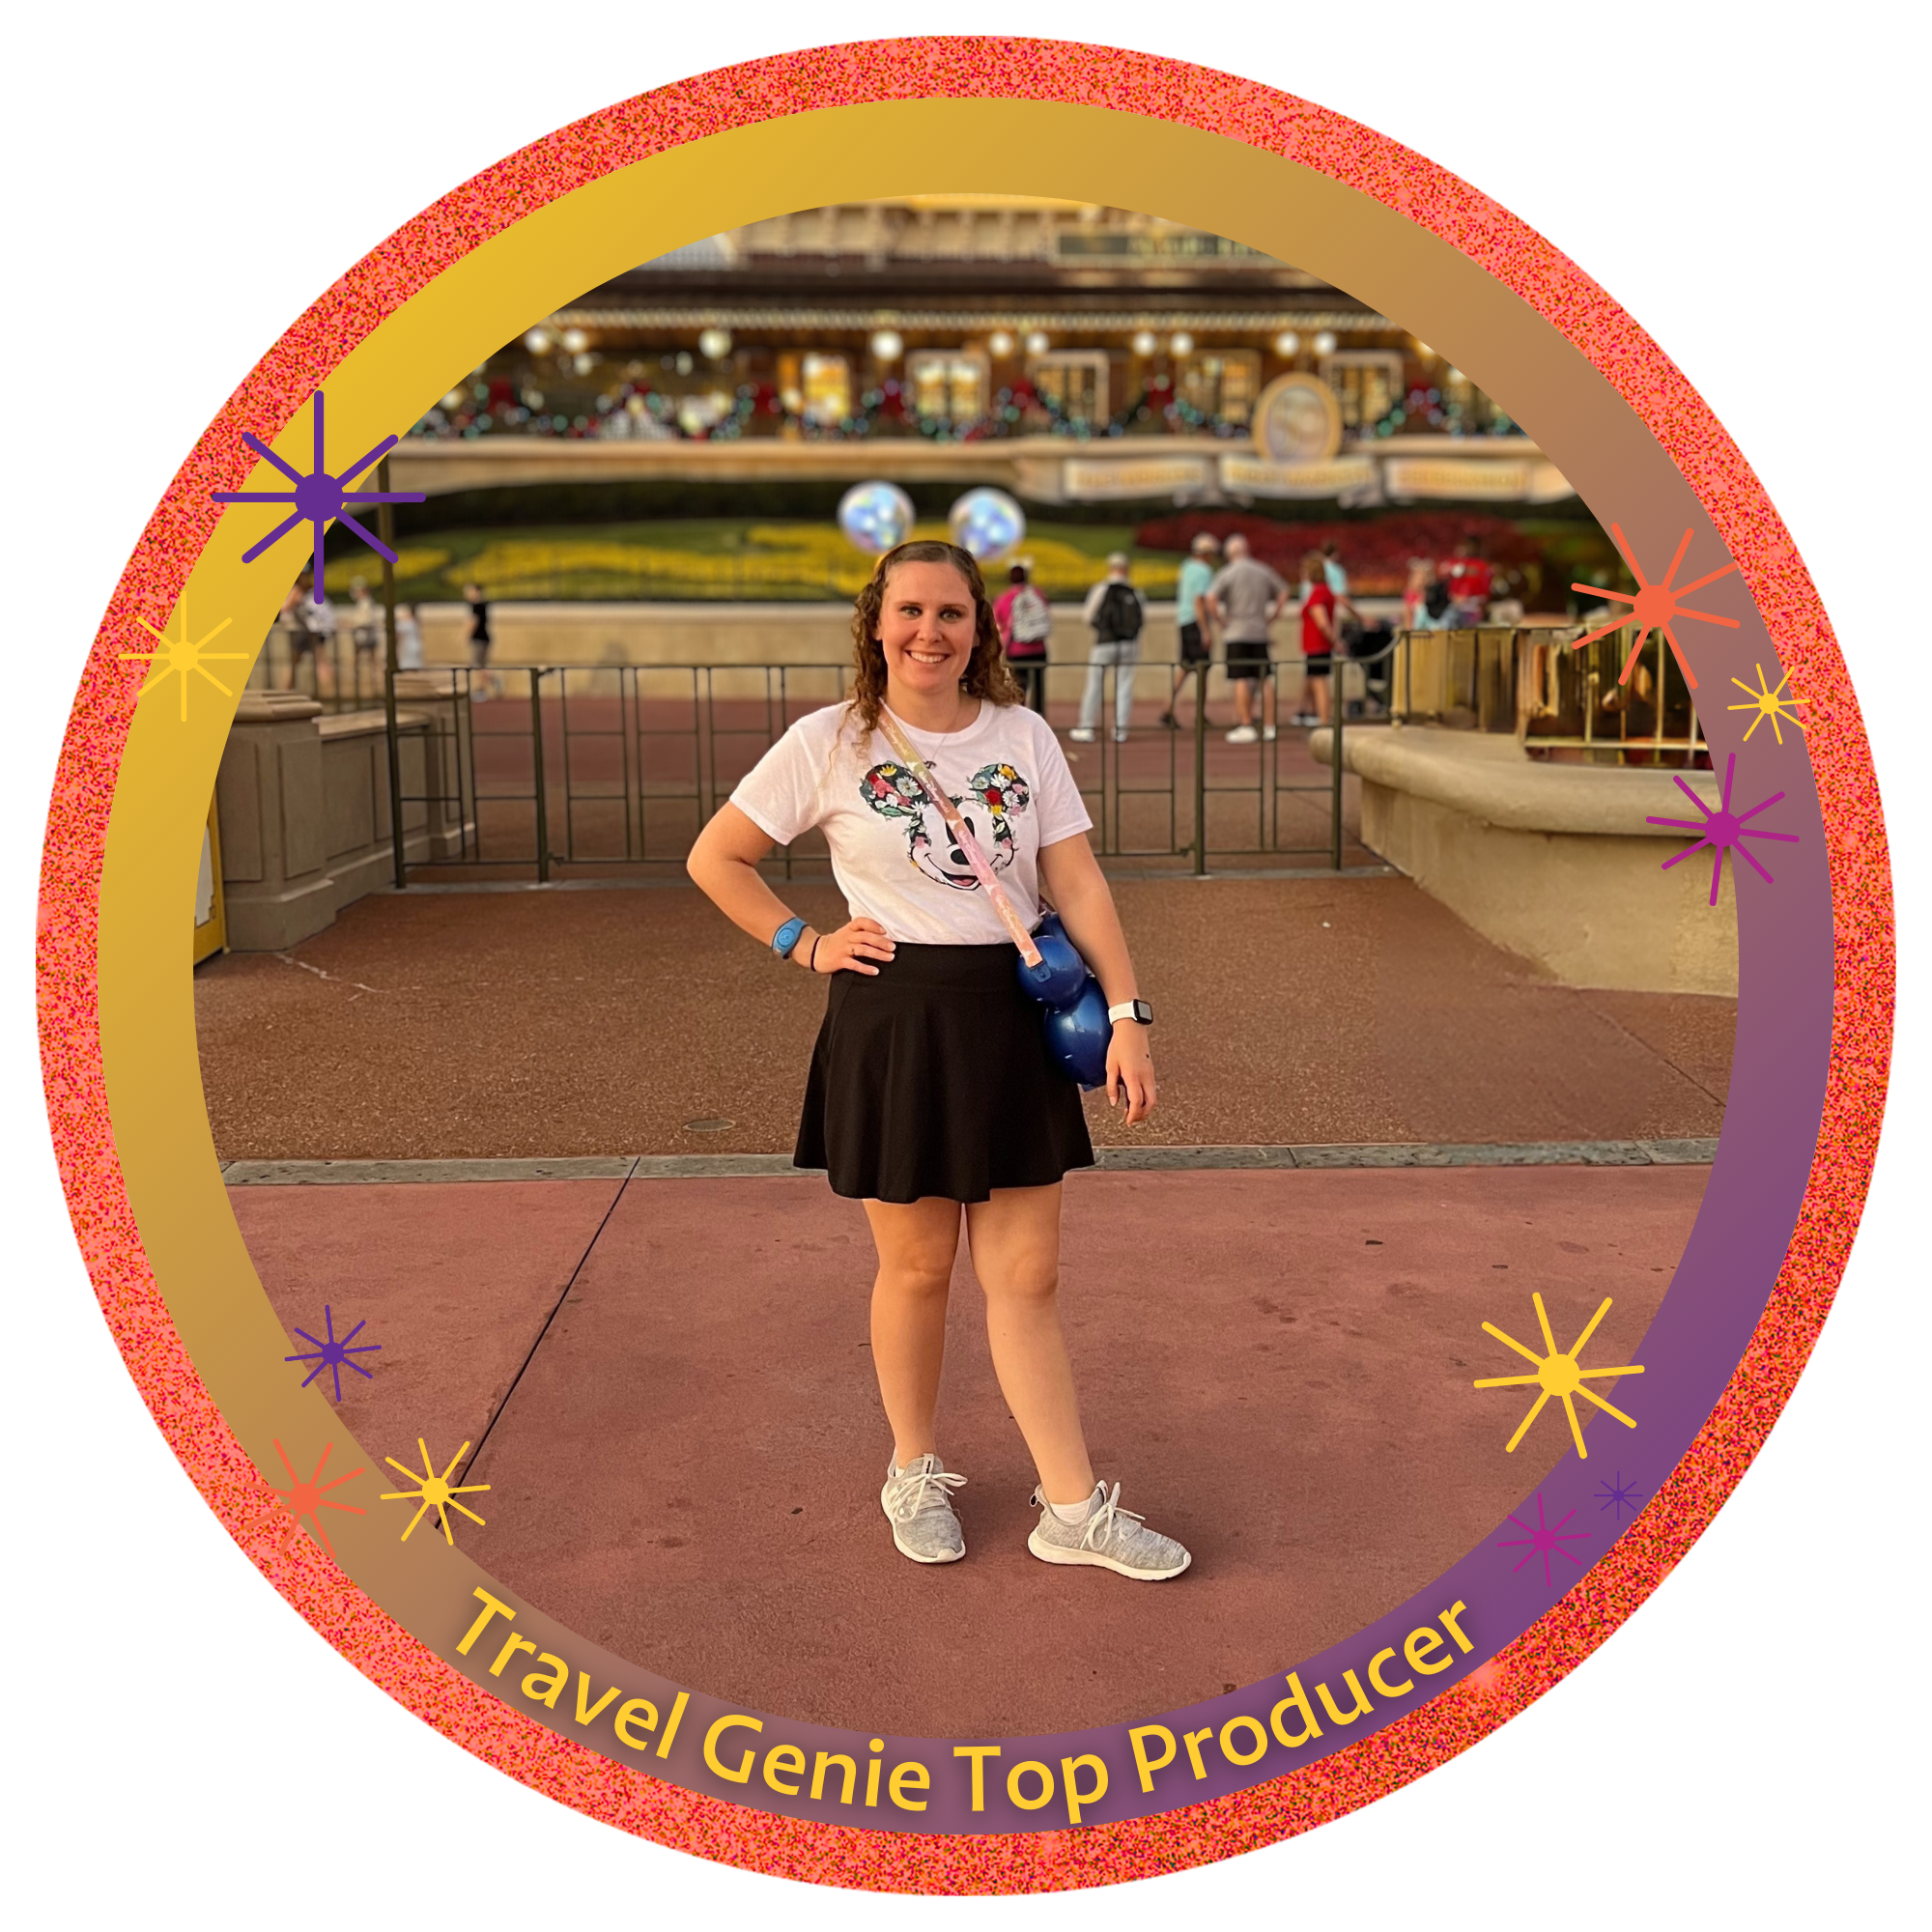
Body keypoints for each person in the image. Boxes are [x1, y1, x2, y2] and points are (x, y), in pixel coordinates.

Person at [685, 538, 1190, 1582]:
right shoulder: (828, 740)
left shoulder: (1021, 734)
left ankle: (1068, 1507)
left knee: (1028, 1275)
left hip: (1009, 1016)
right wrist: (804, 941)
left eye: (950, 613)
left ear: (980, 628)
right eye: (909, 610)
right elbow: (715, 856)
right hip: (896, 1015)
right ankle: (911, 1467)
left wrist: (1129, 1010)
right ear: (876, 623)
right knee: (914, 1268)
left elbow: (1078, 884)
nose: (929, 631)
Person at [1207, 533, 1290, 744]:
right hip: (1259, 630)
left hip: (1237, 631)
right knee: (1265, 679)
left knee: (1240, 678)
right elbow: (1284, 591)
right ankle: (1270, 725)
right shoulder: (1262, 570)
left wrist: (1220, 620)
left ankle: (1245, 724)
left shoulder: (1228, 572)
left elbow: (1211, 598)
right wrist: (1273, 617)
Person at [1071, 553, 1147, 745]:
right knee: (1124, 685)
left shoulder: (1101, 589)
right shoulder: (1135, 591)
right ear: (1126, 569)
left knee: (1095, 684)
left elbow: (1087, 616)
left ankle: (1087, 727)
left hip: (1104, 642)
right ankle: (1120, 730)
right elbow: (1142, 619)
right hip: (1129, 644)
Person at [1161, 532, 1218, 729]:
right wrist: (1206, 630)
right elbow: (1199, 601)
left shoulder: (1186, 567)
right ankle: (1199, 714)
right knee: (1202, 669)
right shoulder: (1204, 571)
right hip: (1195, 621)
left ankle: (1168, 707)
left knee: (1185, 667)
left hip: (1184, 620)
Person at [995, 559, 1052, 717]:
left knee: (1018, 687)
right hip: (1039, 648)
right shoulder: (1037, 594)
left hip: (1016, 649)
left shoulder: (1005, 598)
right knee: (1039, 688)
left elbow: (998, 622)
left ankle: (1019, 719)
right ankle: (1040, 719)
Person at [1297, 550, 1341, 728]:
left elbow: (1321, 621)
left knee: (1319, 681)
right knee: (1318, 680)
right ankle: (1321, 716)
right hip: (1319, 644)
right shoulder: (1326, 591)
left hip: (1316, 644)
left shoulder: (1317, 593)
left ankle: (1324, 719)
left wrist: (1334, 640)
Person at [1440, 538, 1492, 626]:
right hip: (1455, 604)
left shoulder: (1482, 566)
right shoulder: (1457, 563)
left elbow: (1485, 589)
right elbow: (1444, 572)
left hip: (1473, 605)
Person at [349, 577, 381, 700]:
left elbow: (366, 620)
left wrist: (354, 624)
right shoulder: (365, 602)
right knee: (372, 659)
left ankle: (357, 679)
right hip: (367, 635)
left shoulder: (366, 603)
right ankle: (375, 679)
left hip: (364, 635)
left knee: (358, 658)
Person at [464, 582, 495, 700]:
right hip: (482, 638)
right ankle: (492, 681)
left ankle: (482, 689)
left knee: (478, 666)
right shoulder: (482, 605)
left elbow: (472, 622)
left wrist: (465, 636)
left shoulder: (477, 606)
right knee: (481, 665)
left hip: (480, 639)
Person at [394, 602, 424, 672]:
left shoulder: (408, 622)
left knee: (409, 663)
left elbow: (399, 632)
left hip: (409, 645)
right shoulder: (415, 622)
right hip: (415, 644)